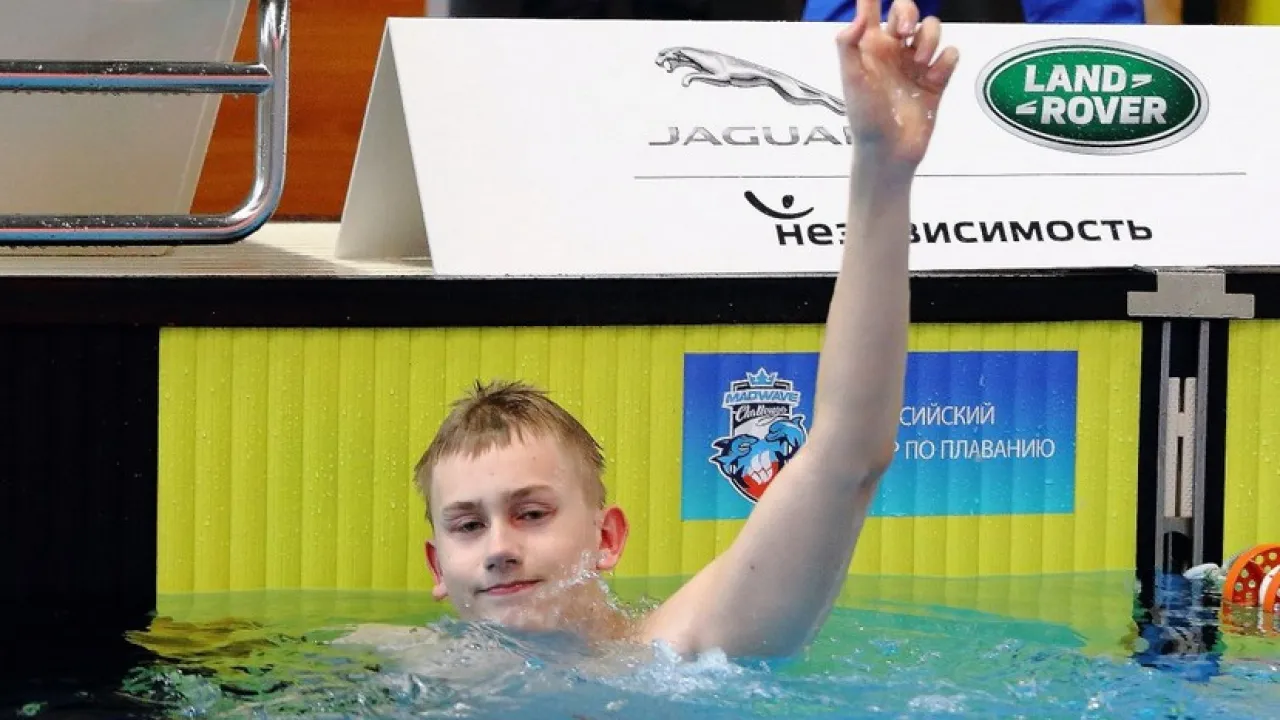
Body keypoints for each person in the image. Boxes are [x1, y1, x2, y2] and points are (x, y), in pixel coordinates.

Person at [410, 0, 959, 661]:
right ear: (437, 565)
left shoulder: (680, 652)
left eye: (532, 514)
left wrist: (883, 168)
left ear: (607, 539)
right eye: (468, 525)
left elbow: (848, 455)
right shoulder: (400, 666)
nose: (500, 548)